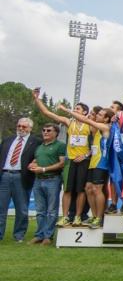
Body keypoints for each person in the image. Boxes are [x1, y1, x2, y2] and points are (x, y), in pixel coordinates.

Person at [33, 89, 91, 228]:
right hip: (70, 161)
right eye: (74, 108)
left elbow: (95, 145)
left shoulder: (89, 124)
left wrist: (85, 155)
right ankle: (65, 217)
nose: (75, 110)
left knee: (81, 190)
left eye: (78, 109)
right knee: (67, 190)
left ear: (84, 112)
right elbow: (48, 113)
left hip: (83, 161)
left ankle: (77, 217)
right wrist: (37, 99)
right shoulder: (68, 122)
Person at [58, 104, 113, 229]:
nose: (95, 116)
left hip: (101, 162)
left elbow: (86, 120)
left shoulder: (105, 127)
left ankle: (99, 218)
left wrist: (67, 110)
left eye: (99, 115)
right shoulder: (95, 129)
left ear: (106, 119)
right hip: (93, 162)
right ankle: (94, 216)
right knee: (88, 188)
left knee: (97, 190)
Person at [0, 117, 41, 242]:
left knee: (22, 209)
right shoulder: (7, 140)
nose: (21, 129)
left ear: (30, 128)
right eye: (19, 126)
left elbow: (39, 156)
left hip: (22, 177)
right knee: (1, 208)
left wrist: (35, 162)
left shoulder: (36, 142)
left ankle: (19, 235)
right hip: (5, 176)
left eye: (24, 127)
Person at [27, 123, 66, 245]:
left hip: (52, 179)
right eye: (43, 130)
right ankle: (39, 235)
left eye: (49, 130)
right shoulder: (40, 147)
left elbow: (61, 163)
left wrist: (43, 169)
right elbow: (35, 160)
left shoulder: (60, 145)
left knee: (51, 210)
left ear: (56, 133)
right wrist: (31, 165)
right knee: (40, 210)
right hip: (38, 180)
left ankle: (48, 236)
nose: (45, 132)